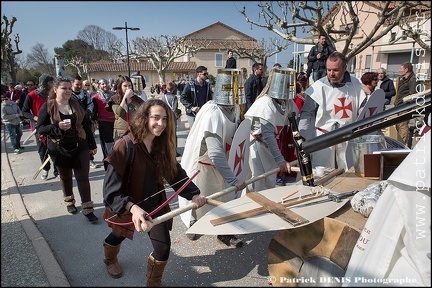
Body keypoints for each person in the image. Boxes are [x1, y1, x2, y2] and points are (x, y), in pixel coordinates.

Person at [102, 99, 206, 285]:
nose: (161, 124)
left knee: (163, 247)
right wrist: (132, 207)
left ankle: (153, 281)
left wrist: (194, 194)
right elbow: (110, 189)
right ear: (144, 118)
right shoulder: (124, 145)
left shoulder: (161, 144)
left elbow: (174, 173)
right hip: (126, 205)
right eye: (156, 118)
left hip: (154, 204)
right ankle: (110, 259)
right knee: (118, 235)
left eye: (165, 119)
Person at [178, 68, 247, 247]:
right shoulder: (213, 113)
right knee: (203, 199)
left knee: (224, 200)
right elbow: (215, 153)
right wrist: (233, 179)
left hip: (223, 162)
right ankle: (194, 224)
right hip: (207, 164)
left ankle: (223, 233)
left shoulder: (233, 110)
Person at [36, 77, 98, 223]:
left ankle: (88, 209)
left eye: (69, 88)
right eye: (64, 88)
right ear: (55, 89)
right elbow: (40, 129)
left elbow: (86, 125)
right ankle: (69, 201)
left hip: (80, 144)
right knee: (65, 177)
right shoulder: (48, 106)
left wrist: (92, 145)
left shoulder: (76, 104)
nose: (68, 91)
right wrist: (56, 127)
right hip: (59, 147)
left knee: (83, 177)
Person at [298, 51, 367, 171]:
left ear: (345, 68)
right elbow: (306, 114)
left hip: (347, 135)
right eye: (329, 70)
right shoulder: (318, 87)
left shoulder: (355, 85)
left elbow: (363, 111)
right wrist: (301, 136)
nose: (331, 73)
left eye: (335, 70)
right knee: (321, 172)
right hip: (324, 137)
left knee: (348, 171)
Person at [245, 67, 298, 191]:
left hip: (268, 147)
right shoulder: (265, 103)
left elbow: (295, 125)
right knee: (257, 182)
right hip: (255, 147)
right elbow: (267, 134)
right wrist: (280, 160)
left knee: (269, 183)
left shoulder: (288, 103)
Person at [22, 74, 59, 180]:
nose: (53, 84)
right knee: (42, 150)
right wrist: (34, 117)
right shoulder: (32, 95)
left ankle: (58, 170)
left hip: (54, 125)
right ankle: (46, 168)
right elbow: (24, 111)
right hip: (40, 126)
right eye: (51, 82)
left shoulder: (55, 94)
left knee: (56, 148)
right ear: (45, 83)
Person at [70, 75, 99, 169]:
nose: (79, 86)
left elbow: (90, 104)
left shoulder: (85, 94)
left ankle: (90, 159)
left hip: (86, 121)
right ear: (72, 83)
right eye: (77, 84)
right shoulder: (69, 95)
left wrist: (88, 112)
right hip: (75, 122)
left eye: (80, 84)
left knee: (89, 140)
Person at [106, 75, 144, 140]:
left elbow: (145, 107)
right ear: (120, 87)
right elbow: (119, 113)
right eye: (125, 86)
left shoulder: (136, 98)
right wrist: (125, 98)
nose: (128, 88)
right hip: (122, 132)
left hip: (135, 130)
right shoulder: (115, 99)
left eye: (129, 85)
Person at [394, 62, 418, 145]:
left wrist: (406, 103)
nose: (399, 70)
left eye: (401, 69)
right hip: (398, 106)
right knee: (398, 126)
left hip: (404, 107)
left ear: (406, 70)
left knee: (403, 126)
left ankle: (402, 145)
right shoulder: (403, 79)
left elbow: (413, 94)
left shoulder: (413, 79)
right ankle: (398, 143)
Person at [92, 78, 115, 159]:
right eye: (103, 84)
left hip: (114, 121)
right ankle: (108, 158)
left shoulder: (114, 95)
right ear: (99, 86)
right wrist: (94, 122)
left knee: (115, 140)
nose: (105, 85)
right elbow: (94, 111)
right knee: (107, 142)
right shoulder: (95, 97)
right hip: (103, 121)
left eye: (106, 83)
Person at [161, 81, 182, 156]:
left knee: (166, 135)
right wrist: (178, 115)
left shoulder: (164, 97)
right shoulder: (174, 97)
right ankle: (174, 151)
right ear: (174, 89)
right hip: (172, 118)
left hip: (165, 118)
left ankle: (166, 151)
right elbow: (174, 108)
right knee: (173, 135)